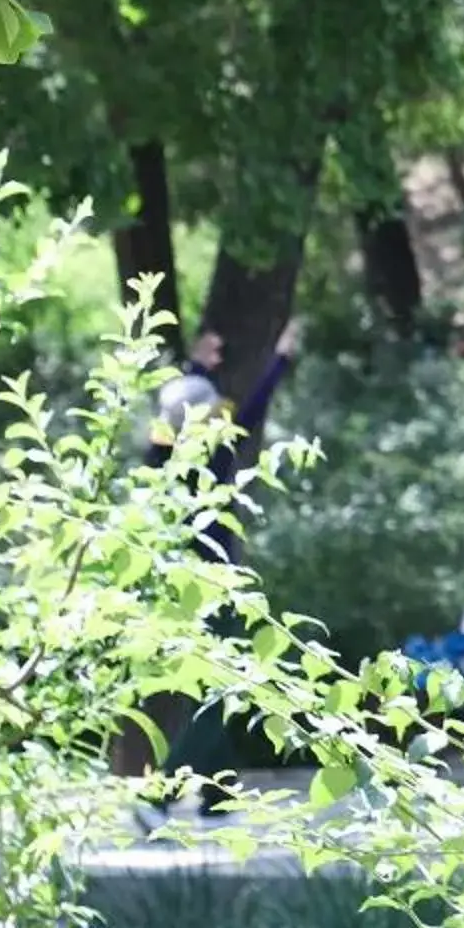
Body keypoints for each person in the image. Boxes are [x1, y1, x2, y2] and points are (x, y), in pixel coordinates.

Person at [136, 320, 298, 825]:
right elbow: (250, 408)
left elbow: (178, 409)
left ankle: (217, 796)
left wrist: (197, 367)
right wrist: (282, 359)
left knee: (220, 686)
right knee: (220, 691)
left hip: (178, 584)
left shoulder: (160, 453)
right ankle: (158, 796)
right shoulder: (217, 451)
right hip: (214, 583)